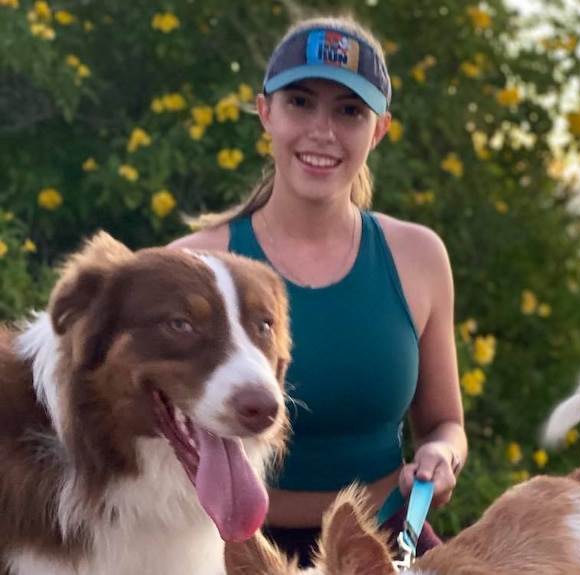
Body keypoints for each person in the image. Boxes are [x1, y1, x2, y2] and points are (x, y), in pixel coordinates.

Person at [170, 15, 467, 567]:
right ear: (265, 113)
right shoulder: (192, 265)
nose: (322, 131)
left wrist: (441, 454)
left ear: (378, 130)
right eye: (300, 102)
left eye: (349, 111)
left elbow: (445, 422)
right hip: (227, 552)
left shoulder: (419, 258)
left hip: (380, 546)